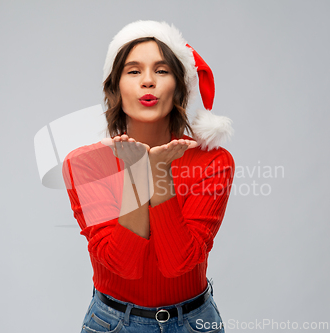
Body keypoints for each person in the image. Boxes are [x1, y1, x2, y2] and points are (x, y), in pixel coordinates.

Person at [62, 20, 235, 333]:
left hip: (194, 323)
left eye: (162, 70)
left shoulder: (213, 163)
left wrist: (157, 171)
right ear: (114, 88)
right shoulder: (86, 164)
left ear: (180, 88)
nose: (148, 82)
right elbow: (123, 265)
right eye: (133, 71)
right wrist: (138, 172)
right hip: (114, 323)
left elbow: (178, 263)